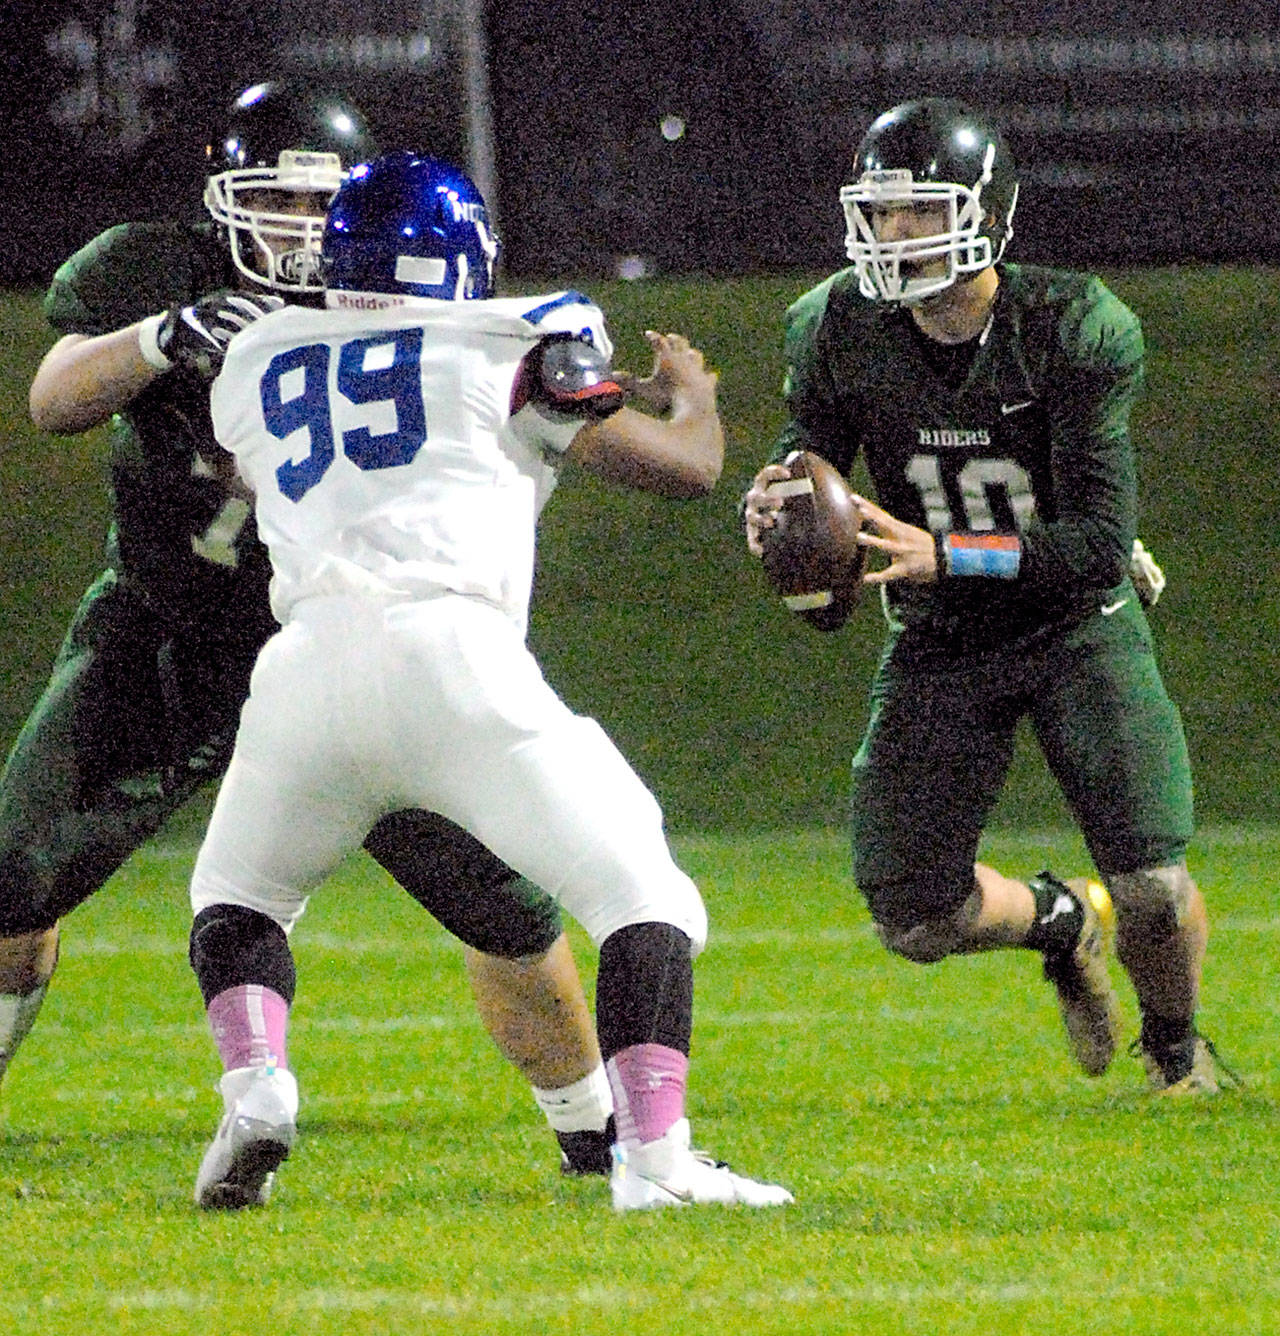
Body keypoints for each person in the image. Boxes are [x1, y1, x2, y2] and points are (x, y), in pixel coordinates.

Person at [9, 80, 617, 1175]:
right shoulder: (156, 269)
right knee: (11, 870)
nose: (294, 229)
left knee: (504, 907)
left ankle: (593, 1129)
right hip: (170, 637)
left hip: (352, 641)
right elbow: (54, 396)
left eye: (315, 206)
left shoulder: (411, 299)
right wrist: (161, 337)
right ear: (220, 199)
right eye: (272, 202)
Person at [186, 148, 793, 1213]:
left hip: (302, 674)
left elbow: (275, 451)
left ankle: (259, 1086)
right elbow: (683, 467)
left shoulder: (258, 353)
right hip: (452, 661)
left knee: (236, 897)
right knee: (643, 895)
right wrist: (689, 393)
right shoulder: (523, 336)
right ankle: (652, 1161)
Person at [744, 98, 1221, 1095]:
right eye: (880, 214)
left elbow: (1095, 545)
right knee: (912, 919)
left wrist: (946, 552)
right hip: (940, 632)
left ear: (983, 211)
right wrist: (782, 518)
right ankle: (1057, 922)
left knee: (1150, 880)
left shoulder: (1071, 325)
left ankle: (1174, 1047)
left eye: (920, 211)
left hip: (1071, 623)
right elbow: (811, 477)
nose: (894, 234)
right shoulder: (833, 324)